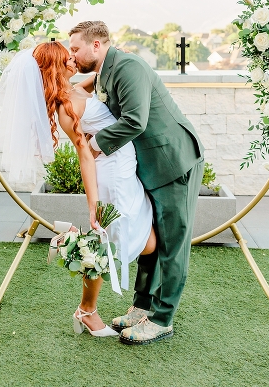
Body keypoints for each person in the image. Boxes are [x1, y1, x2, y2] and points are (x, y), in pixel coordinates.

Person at [0, 42, 156, 338]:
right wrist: (93, 205)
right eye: (65, 56)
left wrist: (113, 52)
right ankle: (87, 310)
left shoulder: (73, 90)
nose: (72, 56)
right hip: (113, 177)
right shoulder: (66, 107)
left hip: (124, 169)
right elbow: (85, 155)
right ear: (55, 68)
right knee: (114, 244)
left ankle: (90, 306)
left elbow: (96, 78)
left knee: (138, 242)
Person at [68, 20, 204, 346]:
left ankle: (162, 319)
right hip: (149, 169)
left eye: (75, 48)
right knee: (149, 238)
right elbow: (84, 87)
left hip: (173, 163)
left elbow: (135, 120)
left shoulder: (128, 67)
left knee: (172, 246)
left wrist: (94, 145)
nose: (72, 55)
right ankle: (142, 306)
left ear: (96, 45)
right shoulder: (104, 71)